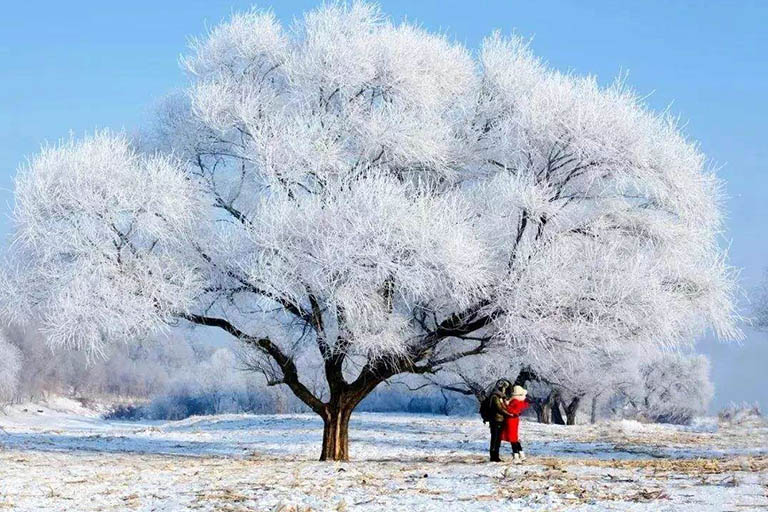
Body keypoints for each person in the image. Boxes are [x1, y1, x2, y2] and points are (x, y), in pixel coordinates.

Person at [501, 385, 530, 462]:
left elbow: (509, 409)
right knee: (515, 438)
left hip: (511, 420)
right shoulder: (521, 402)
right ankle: (521, 454)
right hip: (515, 420)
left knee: (512, 438)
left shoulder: (515, 402)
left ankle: (516, 456)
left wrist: (503, 403)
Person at [488, 379, 514, 462]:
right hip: (495, 421)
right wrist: (509, 414)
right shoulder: (495, 397)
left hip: (500, 420)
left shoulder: (499, 397)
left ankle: (496, 455)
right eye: (503, 388)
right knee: (495, 438)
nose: (504, 390)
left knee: (498, 439)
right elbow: (499, 409)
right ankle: (493, 456)